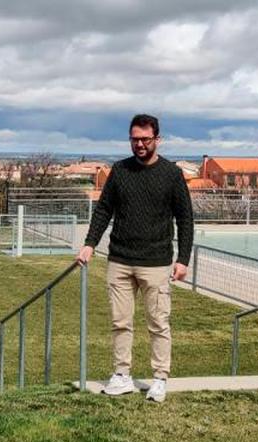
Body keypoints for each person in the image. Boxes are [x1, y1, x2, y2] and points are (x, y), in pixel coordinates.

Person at [75, 114, 194, 402]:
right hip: (120, 260)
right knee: (120, 322)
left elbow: (185, 219)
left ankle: (159, 379)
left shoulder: (171, 174)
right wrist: (90, 244)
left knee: (158, 323)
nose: (139, 144)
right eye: (135, 139)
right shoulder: (120, 171)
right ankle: (122, 375)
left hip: (156, 262)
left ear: (157, 139)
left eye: (145, 139)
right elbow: (104, 210)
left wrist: (183, 259)